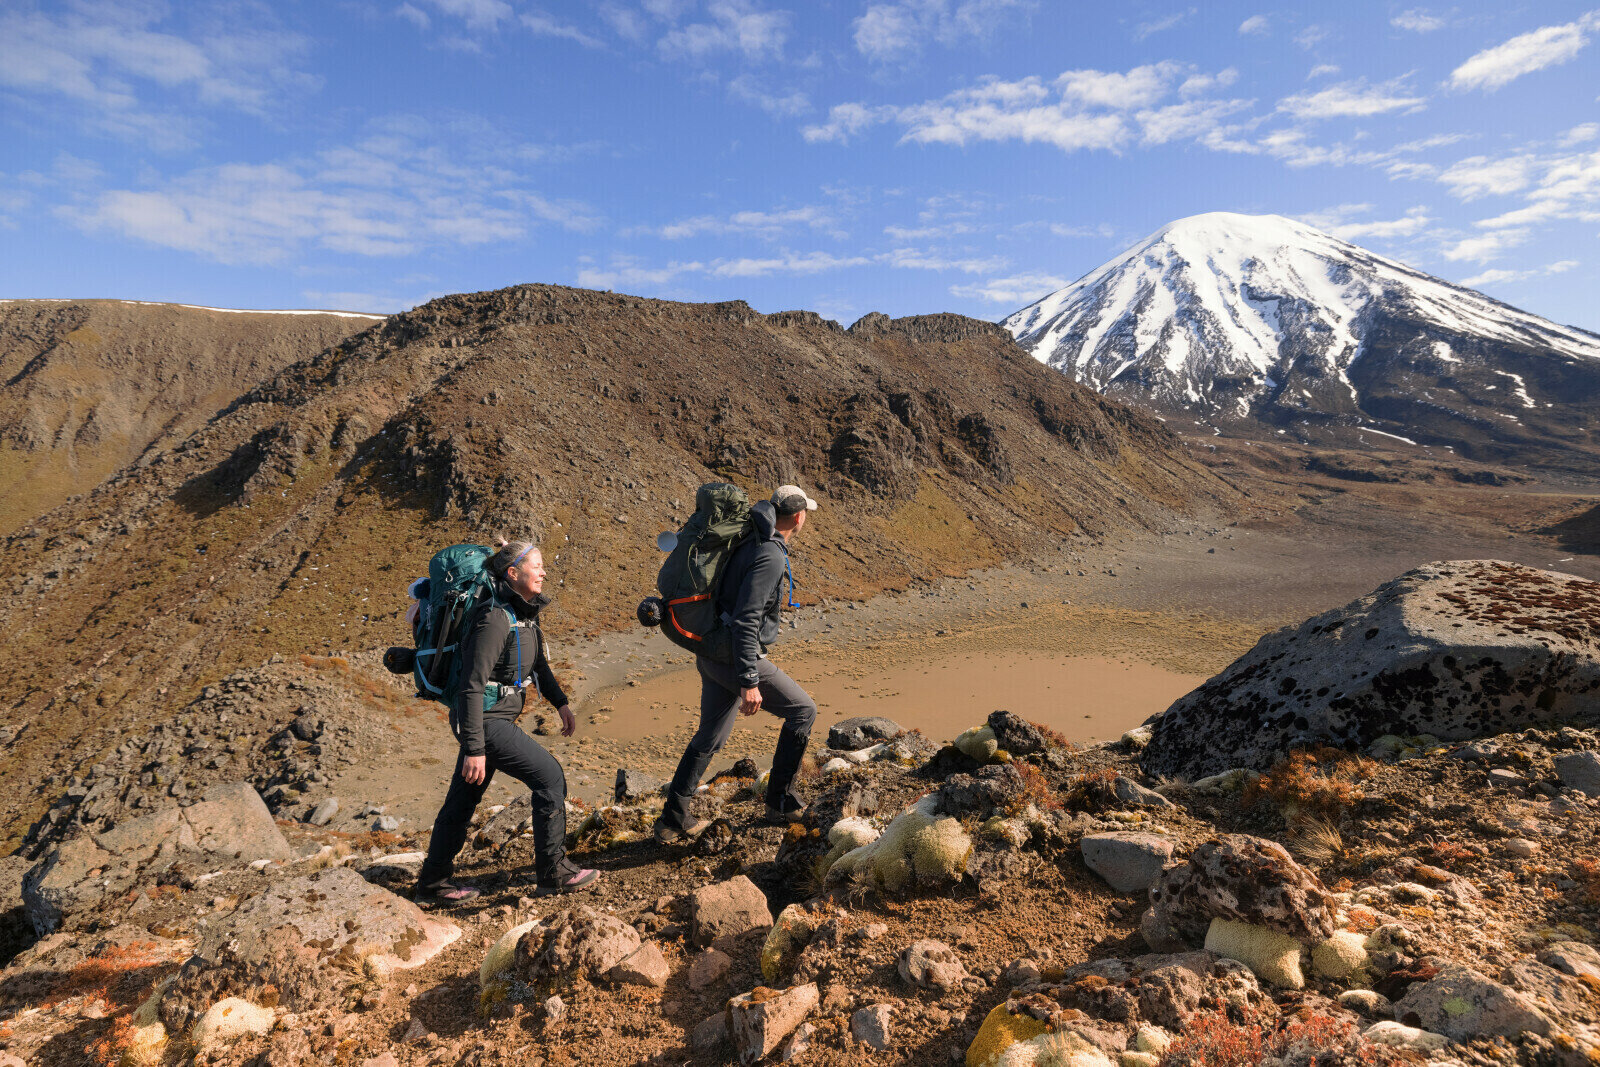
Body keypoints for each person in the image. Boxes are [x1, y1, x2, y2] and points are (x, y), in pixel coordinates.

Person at [413, 539, 598, 904]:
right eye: (537, 566)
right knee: (550, 778)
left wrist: (561, 703)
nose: (544, 572)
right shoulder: (494, 619)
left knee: (461, 802)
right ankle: (554, 873)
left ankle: (433, 883)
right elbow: (470, 686)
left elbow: (537, 664)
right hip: (484, 720)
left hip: (489, 719)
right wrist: (474, 748)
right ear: (513, 574)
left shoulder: (523, 614)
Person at [654, 485, 819, 843]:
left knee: (709, 737)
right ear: (799, 516)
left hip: (712, 652)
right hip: (733, 657)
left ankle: (672, 819)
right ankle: (781, 802)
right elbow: (747, 619)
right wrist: (748, 680)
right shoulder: (770, 554)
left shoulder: (748, 537)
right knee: (803, 711)